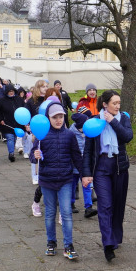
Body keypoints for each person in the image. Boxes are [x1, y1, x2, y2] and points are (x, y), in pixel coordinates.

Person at [82, 90, 133, 261]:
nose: (118, 106)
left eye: (119, 103)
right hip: (101, 168)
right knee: (105, 205)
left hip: (119, 167)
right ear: (105, 104)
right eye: (114, 103)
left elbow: (127, 137)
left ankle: (116, 236)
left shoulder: (123, 119)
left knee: (118, 206)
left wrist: (112, 122)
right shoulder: (94, 122)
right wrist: (86, 173)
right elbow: (88, 151)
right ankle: (108, 243)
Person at [30, 102, 83, 260]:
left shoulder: (70, 135)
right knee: (50, 213)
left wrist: (85, 175)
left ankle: (68, 245)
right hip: (47, 181)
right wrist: (35, 155)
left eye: (61, 116)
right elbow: (33, 154)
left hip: (65, 180)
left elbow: (77, 157)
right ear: (48, 118)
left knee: (66, 213)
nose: (58, 120)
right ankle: (51, 242)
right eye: (55, 117)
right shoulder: (42, 135)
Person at [69, 113, 96, 218]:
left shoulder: (88, 132)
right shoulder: (71, 134)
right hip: (73, 165)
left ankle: (88, 208)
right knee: (72, 185)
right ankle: (71, 204)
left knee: (87, 185)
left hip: (84, 165)